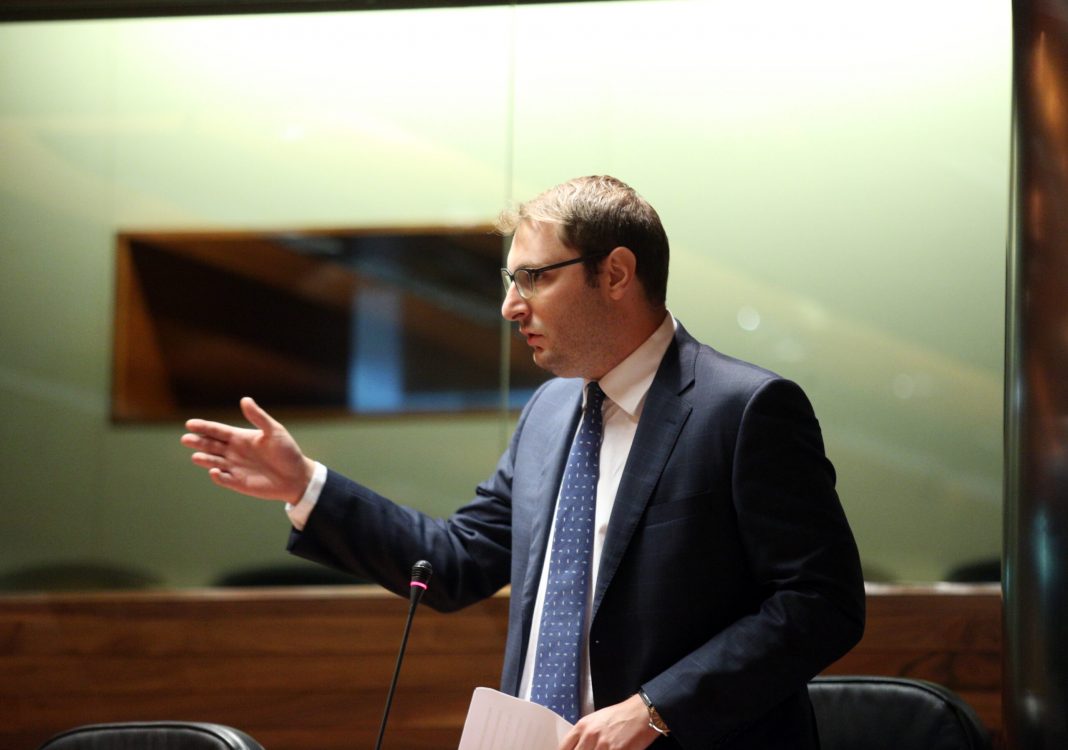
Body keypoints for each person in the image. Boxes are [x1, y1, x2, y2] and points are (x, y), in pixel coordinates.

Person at [181, 175, 865, 750]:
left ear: (615, 274)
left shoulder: (743, 409)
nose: (510, 306)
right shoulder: (549, 412)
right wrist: (306, 486)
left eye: (534, 278)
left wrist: (657, 708)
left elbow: (820, 602)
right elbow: (455, 562)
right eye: (513, 280)